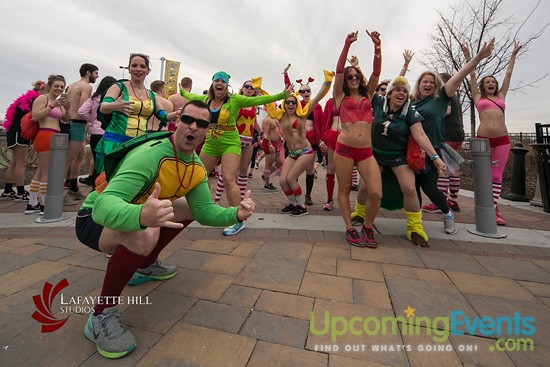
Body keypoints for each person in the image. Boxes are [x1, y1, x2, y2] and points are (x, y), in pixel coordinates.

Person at [75, 100, 256, 359]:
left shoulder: (195, 167)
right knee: (145, 234)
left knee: (186, 209)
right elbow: (102, 207)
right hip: (92, 220)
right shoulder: (150, 155)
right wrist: (140, 215)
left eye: (202, 123)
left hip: (134, 217)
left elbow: (204, 212)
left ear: (207, 131)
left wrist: (235, 213)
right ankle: (101, 315)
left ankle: (145, 264)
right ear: (177, 122)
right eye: (187, 120)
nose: (193, 127)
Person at [180, 71, 291, 236]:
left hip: (230, 143)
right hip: (210, 143)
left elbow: (259, 99)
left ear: (227, 85)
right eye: (216, 80)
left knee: (228, 178)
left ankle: (238, 219)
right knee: (197, 175)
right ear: (212, 83)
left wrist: (282, 94)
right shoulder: (205, 100)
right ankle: (201, 208)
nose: (219, 83)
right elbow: (189, 96)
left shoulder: (235, 100)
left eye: (223, 81)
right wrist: (181, 90)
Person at [410, 38, 495, 235]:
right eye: (425, 82)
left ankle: (448, 214)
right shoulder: (412, 102)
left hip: (433, 151)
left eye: (432, 82)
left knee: (429, 187)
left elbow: (458, 77)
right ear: (419, 84)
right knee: (413, 187)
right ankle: (416, 221)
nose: (429, 84)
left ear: (437, 85)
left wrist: (478, 57)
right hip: (412, 150)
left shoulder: (441, 99)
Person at [372, 76, 446, 247]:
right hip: (376, 154)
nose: (402, 93)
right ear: (389, 93)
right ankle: (361, 213)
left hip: (398, 157)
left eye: (405, 91)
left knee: (410, 188)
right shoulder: (377, 102)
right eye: (397, 90)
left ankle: (415, 228)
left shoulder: (410, 111)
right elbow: (366, 86)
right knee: (367, 187)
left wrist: (435, 157)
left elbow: (420, 135)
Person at [462, 41, 521, 225]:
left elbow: (509, 74)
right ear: (482, 85)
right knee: (484, 176)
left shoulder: (501, 95)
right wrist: (468, 55)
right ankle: (491, 209)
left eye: (493, 82)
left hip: (502, 140)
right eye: (487, 82)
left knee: (496, 176)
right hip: (483, 141)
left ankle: (492, 210)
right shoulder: (478, 97)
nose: (491, 83)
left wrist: (513, 55)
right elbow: (471, 73)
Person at [333, 30, 382, 248]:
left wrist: (377, 47)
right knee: (344, 190)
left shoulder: (368, 94)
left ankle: (368, 227)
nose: (353, 79)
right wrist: (347, 44)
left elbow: (376, 73)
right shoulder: (340, 96)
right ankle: (350, 228)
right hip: (344, 149)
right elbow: (338, 71)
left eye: (356, 76)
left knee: (376, 193)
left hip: (365, 152)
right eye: (350, 76)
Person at [94, 53, 180, 176]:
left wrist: (176, 114)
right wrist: (115, 106)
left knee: (131, 182)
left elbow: (162, 116)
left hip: (138, 145)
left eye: (142, 66)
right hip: (115, 143)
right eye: (134, 65)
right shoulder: (118, 87)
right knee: (105, 183)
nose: (138, 69)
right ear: (129, 69)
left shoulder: (152, 95)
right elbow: (103, 107)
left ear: (147, 71)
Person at [277, 70, 333, 217]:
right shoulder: (281, 116)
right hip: (292, 152)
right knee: (283, 181)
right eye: (288, 102)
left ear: (297, 105)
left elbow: (316, 99)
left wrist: (327, 82)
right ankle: (293, 203)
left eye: (293, 102)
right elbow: (282, 92)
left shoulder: (301, 115)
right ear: (284, 104)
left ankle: (302, 207)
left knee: (290, 178)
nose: (290, 104)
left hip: (305, 151)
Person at [213, 79, 266, 203]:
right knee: (229, 171)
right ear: (242, 88)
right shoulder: (235, 101)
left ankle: (242, 200)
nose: (248, 89)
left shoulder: (253, 105)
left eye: (251, 88)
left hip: (249, 141)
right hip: (234, 140)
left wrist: (262, 133)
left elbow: (253, 121)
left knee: (243, 171)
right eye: (247, 86)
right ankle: (216, 199)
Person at [25, 75, 70, 214]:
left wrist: (66, 107)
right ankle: (45, 204)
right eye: (56, 85)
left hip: (55, 136)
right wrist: (52, 106)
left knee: (40, 171)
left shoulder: (56, 101)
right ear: (49, 86)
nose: (59, 88)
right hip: (45, 135)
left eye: (62, 87)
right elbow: (35, 116)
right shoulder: (43, 98)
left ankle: (32, 203)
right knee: (47, 172)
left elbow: (65, 120)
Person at [421, 72, 465, 214]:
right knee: (453, 168)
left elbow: (446, 111)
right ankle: (453, 199)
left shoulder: (446, 95)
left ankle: (441, 201)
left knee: (443, 169)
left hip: (447, 134)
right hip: (457, 133)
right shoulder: (454, 97)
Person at [1, 80, 48, 201]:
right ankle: (21, 192)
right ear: (40, 91)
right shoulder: (34, 101)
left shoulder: (28, 100)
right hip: (20, 133)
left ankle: (7, 190)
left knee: (15, 163)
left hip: (14, 132)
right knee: (21, 163)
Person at [65, 63, 99, 201]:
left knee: (80, 155)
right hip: (78, 123)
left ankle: (72, 185)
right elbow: (84, 109)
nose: (97, 77)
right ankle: (56, 193)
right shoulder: (86, 86)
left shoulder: (73, 85)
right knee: (69, 158)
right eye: (96, 73)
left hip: (70, 122)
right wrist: (90, 125)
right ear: (88, 73)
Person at [77, 76, 117, 187]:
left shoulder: (94, 98)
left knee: (96, 161)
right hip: (110, 134)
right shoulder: (113, 100)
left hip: (95, 133)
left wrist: (92, 120)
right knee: (108, 163)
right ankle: (103, 186)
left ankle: (94, 187)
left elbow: (81, 111)